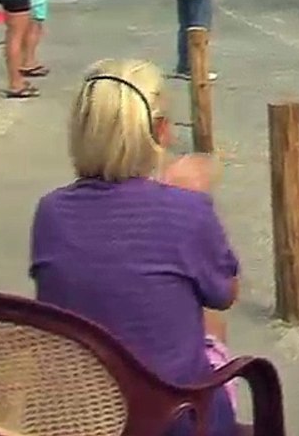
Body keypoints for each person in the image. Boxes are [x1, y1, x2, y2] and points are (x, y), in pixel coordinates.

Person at [30, 58, 241, 436]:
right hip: (174, 418)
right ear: (160, 131)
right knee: (209, 320)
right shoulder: (186, 209)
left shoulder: (51, 213)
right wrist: (184, 200)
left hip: (84, 416)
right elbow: (226, 292)